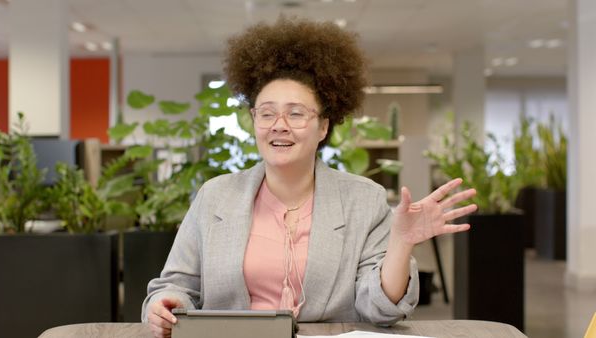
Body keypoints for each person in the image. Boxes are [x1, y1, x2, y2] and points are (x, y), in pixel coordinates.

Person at [142, 17, 477, 338]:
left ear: (324, 126)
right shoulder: (215, 196)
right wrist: (166, 305)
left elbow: (381, 310)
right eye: (267, 113)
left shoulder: (363, 200)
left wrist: (401, 244)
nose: (279, 125)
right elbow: (176, 287)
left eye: (296, 113)